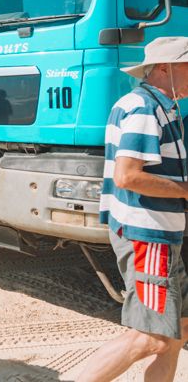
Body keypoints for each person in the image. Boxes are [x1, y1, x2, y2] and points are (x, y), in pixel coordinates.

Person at [78, 37, 188, 382]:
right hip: (147, 235)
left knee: (177, 329)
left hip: (159, 233)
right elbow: (129, 176)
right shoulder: (144, 108)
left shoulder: (160, 106)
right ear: (164, 69)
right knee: (150, 337)